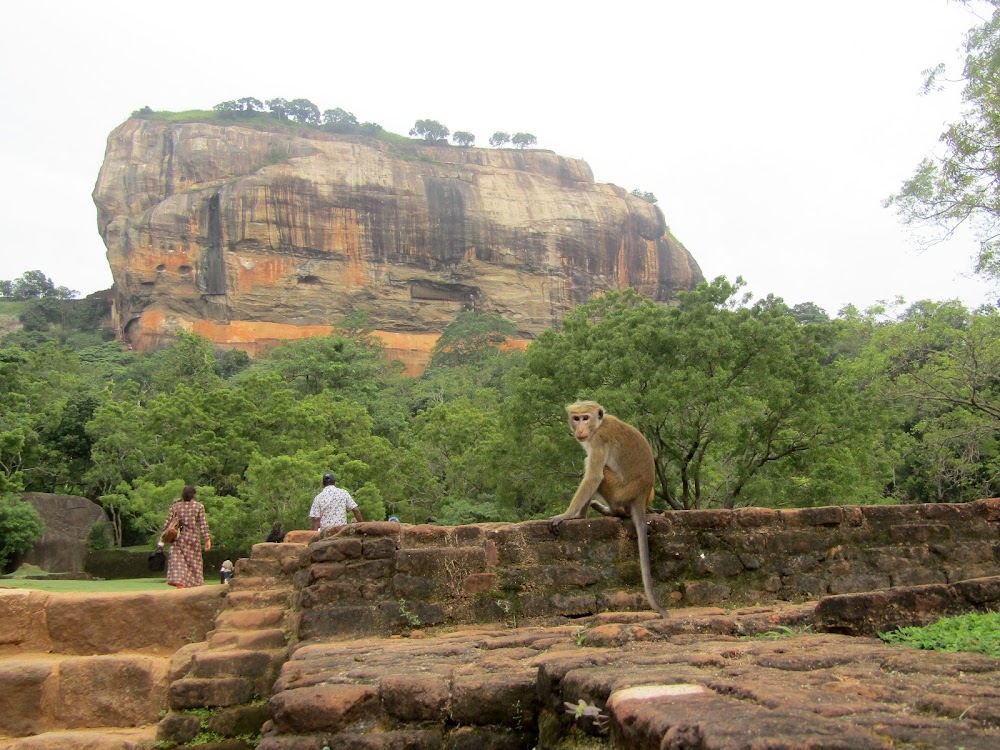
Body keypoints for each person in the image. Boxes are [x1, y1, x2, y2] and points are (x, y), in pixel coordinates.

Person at [158, 485, 211, 588]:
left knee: (178, 561)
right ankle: (196, 583)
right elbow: (203, 524)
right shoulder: (199, 506)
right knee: (194, 562)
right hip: (193, 539)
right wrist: (207, 539)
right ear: (194, 495)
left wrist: (162, 538)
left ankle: (179, 582)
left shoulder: (176, 506)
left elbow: (167, 524)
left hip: (178, 538)